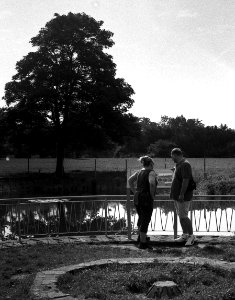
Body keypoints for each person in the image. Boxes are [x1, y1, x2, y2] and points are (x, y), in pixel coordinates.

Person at [128, 156, 158, 249]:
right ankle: (143, 243)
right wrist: (152, 195)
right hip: (146, 197)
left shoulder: (139, 172)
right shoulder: (151, 172)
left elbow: (130, 180)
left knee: (141, 217)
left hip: (137, 197)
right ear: (151, 163)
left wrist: (135, 191)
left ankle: (140, 238)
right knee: (146, 219)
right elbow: (152, 183)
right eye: (153, 164)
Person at [170, 148, 195, 246]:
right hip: (177, 196)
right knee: (181, 216)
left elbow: (186, 180)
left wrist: (182, 194)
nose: (172, 159)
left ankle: (191, 236)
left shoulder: (185, 164)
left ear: (177, 155)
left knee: (184, 216)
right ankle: (185, 235)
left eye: (172, 157)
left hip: (183, 196)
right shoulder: (179, 164)